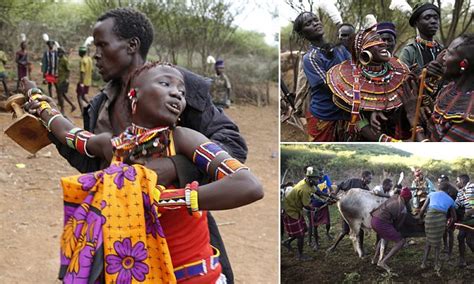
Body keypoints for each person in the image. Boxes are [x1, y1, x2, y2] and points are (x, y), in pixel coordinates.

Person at [24, 7, 247, 282]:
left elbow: (232, 142)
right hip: (125, 245)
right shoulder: (99, 106)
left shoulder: (175, 86)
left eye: (102, 45)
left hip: (185, 249)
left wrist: (173, 168)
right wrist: (45, 114)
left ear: (131, 46)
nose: (96, 54)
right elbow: (90, 159)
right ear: (135, 96)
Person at [327, 25, 410, 141]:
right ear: (364, 52)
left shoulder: (398, 74)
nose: (383, 44)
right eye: (375, 42)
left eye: (380, 40)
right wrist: (384, 140)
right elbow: (357, 121)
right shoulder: (348, 84)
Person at [400, 34, 474, 142]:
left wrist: (413, 116)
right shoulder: (449, 88)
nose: (442, 58)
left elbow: (438, 156)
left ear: (463, 64)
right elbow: (437, 127)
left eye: (449, 53)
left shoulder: (468, 115)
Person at [294, 11, 351, 141]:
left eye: (315, 20)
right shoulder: (311, 58)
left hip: (346, 114)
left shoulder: (340, 49)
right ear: (303, 33)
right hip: (324, 117)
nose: (315, 23)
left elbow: (353, 70)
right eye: (308, 23)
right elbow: (330, 86)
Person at [282, 167, 331, 260]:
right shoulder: (304, 189)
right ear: (309, 178)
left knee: (303, 230)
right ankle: (300, 256)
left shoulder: (307, 183)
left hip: (296, 210)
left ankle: (286, 242)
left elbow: (318, 191)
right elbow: (307, 206)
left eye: (318, 178)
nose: (318, 180)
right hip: (290, 211)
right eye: (316, 178)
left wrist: (329, 196)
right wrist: (318, 208)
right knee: (300, 235)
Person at [328, 170, 372, 253]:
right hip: (347, 211)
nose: (370, 180)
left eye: (371, 179)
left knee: (361, 230)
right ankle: (333, 246)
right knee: (345, 231)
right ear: (363, 177)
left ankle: (361, 248)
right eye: (369, 178)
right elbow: (340, 185)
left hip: (357, 213)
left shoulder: (366, 189)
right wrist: (334, 194)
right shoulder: (353, 182)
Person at [371, 187, 412, 273]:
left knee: (384, 237)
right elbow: (398, 226)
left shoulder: (395, 197)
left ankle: (374, 259)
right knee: (401, 241)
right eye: (409, 199)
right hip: (381, 222)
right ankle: (383, 262)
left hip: (374, 219)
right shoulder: (402, 209)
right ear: (407, 199)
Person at [418, 182, 456, 272]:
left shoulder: (431, 194)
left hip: (429, 219)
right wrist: (448, 226)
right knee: (437, 243)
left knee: (428, 241)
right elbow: (454, 217)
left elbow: (423, 209)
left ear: (438, 188)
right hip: (440, 221)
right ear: (448, 190)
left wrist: (420, 218)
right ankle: (436, 264)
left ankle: (423, 263)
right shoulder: (450, 200)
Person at [399, 2, 443, 69]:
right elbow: (402, 77)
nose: (433, 21)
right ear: (416, 23)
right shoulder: (409, 52)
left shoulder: (442, 50)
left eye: (436, 18)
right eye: (427, 18)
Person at [307, 171, 334, 249]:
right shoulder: (312, 183)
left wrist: (331, 194)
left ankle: (327, 233)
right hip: (315, 205)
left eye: (322, 174)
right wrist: (326, 200)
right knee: (314, 225)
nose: (321, 176)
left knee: (328, 221)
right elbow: (316, 194)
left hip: (324, 203)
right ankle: (316, 243)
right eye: (319, 175)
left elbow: (330, 187)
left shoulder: (325, 177)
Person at [455, 174, 474, 269]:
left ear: (462, 182)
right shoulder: (460, 192)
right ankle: (462, 260)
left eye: (457, 181)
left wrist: (470, 211)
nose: (456, 183)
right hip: (467, 218)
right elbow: (456, 205)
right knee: (460, 237)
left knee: (470, 240)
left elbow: (472, 205)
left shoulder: (472, 187)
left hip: (472, 218)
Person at [56, 48, 76, 114]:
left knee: (60, 95)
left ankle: (62, 110)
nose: (58, 54)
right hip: (60, 79)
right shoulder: (60, 60)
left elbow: (68, 70)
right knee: (63, 95)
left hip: (63, 80)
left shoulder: (64, 60)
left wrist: (67, 79)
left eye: (59, 53)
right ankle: (72, 106)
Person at [77, 46, 93, 115]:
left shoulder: (82, 60)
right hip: (88, 81)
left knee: (79, 96)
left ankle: (82, 113)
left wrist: (81, 83)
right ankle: (92, 107)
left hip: (83, 82)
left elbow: (82, 72)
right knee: (83, 96)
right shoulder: (89, 59)